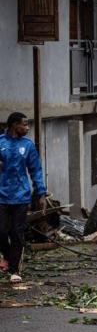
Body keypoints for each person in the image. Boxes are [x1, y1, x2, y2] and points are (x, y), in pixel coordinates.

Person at [0, 112, 46, 283]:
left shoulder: (27, 145)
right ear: (14, 125)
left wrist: (40, 192)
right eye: (24, 125)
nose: (27, 128)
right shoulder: (0, 143)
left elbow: (36, 170)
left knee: (17, 232)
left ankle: (14, 270)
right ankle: (8, 257)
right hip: (1, 196)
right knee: (2, 231)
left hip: (21, 196)